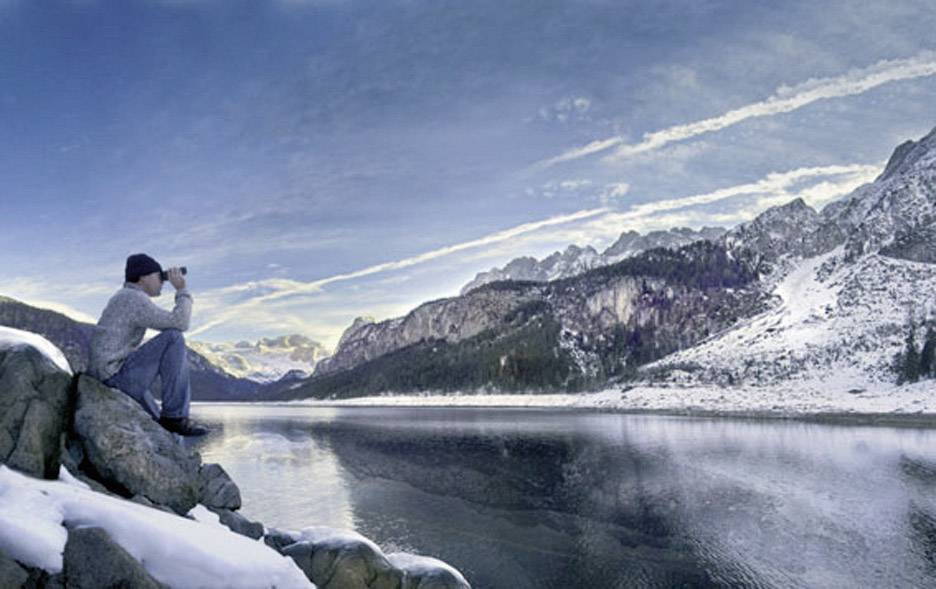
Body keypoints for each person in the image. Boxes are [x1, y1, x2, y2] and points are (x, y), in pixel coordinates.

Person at [89, 253, 208, 437]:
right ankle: (176, 418)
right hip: (114, 381)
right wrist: (182, 290)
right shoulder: (133, 298)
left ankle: (170, 426)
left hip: (108, 377)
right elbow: (180, 322)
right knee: (173, 337)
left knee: (160, 428)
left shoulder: (123, 297)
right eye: (159, 276)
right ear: (143, 277)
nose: (163, 282)